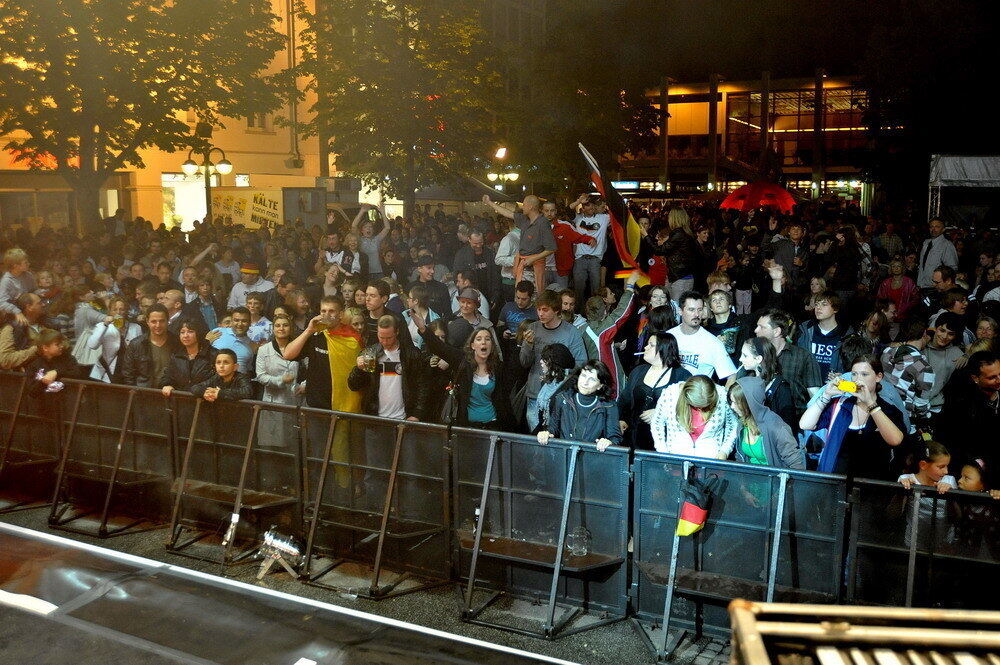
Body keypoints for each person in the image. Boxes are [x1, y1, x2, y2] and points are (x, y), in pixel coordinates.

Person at [800, 354, 906, 480]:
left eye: (864, 374)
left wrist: (871, 404)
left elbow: (896, 440)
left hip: (872, 487)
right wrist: (826, 395)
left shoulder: (888, 410)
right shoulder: (841, 404)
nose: (858, 379)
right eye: (854, 374)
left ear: (878, 377)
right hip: (835, 482)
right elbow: (805, 424)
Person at [414, 311, 511, 429]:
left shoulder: (498, 367)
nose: (484, 342)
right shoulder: (463, 361)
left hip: (492, 424)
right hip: (466, 426)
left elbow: (504, 401)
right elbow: (440, 348)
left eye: (488, 339)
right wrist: (423, 328)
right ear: (472, 345)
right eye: (479, 339)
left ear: (492, 344)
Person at [519, 289, 587, 428]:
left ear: (556, 310)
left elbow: (581, 363)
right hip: (535, 393)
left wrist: (558, 375)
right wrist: (528, 345)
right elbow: (524, 362)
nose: (540, 314)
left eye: (545, 309)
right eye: (538, 309)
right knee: (536, 439)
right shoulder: (533, 328)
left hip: (560, 395)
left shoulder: (571, 332)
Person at [619, 332, 691, 450]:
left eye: (651, 345)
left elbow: (689, 408)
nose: (645, 347)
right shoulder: (638, 371)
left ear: (664, 348)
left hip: (664, 438)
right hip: (634, 436)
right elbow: (624, 399)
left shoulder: (682, 375)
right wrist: (621, 419)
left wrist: (661, 413)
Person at [347, 314, 426, 421]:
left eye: (389, 338)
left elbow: (422, 385)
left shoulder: (411, 354)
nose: (384, 342)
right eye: (381, 337)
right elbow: (354, 386)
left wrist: (417, 413)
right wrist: (358, 369)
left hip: (404, 417)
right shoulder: (370, 353)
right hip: (375, 418)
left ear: (397, 332)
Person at [537, 360, 622, 452]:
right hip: (565, 456)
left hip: (593, 459)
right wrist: (546, 434)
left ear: (600, 386)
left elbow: (615, 438)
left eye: (592, 379)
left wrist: (608, 442)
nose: (585, 382)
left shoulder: (609, 406)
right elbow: (553, 428)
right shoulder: (563, 398)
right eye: (583, 376)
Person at [936, 351, 1000, 470]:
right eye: (992, 377)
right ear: (975, 378)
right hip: (968, 464)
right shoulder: (960, 404)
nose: (999, 380)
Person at [651, 375, 739, 458]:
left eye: (705, 406)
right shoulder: (670, 394)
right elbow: (657, 422)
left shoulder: (722, 395)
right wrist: (662, 451)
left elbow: (733, 426)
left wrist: (724, 451)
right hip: (675, 459)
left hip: (711, 461)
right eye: (696, 406)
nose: (700, 410)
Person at [755, 309, 823, 414]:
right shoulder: (754, 354)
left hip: (794, 421)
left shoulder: (803, 356)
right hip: (762, 418)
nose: (756, 330)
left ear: (776, 331)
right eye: (757, 326)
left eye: (762, 327)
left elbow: (815, 397)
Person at [729, 377, 806, 469]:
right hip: (751, 478)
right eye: (731, 402)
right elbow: (740, 457)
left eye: (736, 403)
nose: (732, 407)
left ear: (749, 402)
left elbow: (796, 465)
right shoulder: (742, 424)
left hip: (773, 480)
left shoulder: (777, 427)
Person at [483, 194, 555, 292]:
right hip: (523, 265)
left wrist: (533, 258)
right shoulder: (524, 219)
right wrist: (489, 203)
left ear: (530, 206)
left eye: (524, 205)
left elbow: (551, 248)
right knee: (521, 297)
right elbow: (507, 213)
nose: (522, 207)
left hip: (534, 267)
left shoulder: (543, 223)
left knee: (532, 297)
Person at [255, 314, 303, 448]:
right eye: (277, 325)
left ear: (291, 328)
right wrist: (281, 380)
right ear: (273, 329)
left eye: (285, 325)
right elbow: (261, 376)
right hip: (272, 402)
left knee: (293, 445)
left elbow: (308, 371)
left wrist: (304, 385)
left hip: (294, 400)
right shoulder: (264, 350)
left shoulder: (299, 347)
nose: (281, 328)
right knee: (272, 445)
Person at [731, 337, 797, 432]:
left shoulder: (781, 388)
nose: (741, 359)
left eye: (745, 356)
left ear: (758, 359)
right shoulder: (746, 379)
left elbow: (787, 424)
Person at [667, 291, 737, 380]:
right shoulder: (669, 336)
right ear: (680, 311)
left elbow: (731, 375)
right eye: (691, 310)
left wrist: (725, 393)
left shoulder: (712, 342)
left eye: (699, 310)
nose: (696, 314)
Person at [880, 320, 937, 426]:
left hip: (881, 410)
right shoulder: (922, 366)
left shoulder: (887, 352)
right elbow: (921, 404)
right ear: (924, 333)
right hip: (904, 418)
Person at [796, 290, 854, 377]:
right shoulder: (805, 330)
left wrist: (843, 376)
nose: (818, 308)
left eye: (824, 304)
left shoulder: (846, 335)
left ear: (835, 309)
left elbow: (852, 368)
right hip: (806, 386)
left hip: (833, 387)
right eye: (816, 304)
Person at [85, 297, 142, 383]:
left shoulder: (136, 327)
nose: (118, 312)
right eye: (114, 310)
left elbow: (140, 351)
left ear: (126, 311)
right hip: (107, 372)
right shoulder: (103, 326)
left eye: (121, 309)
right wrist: (105, 325)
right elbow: (92, 345)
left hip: (128, 372)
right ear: (110, 311)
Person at [121, 305, 180, 387]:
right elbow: (128, 373)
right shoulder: (136, 344)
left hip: (171, 393)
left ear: (168, 320)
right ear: (147, 321)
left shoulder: (178, 342)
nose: (158, 325)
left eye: (162, 321)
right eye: (154, 321)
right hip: (144, 393)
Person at [545, 200, 595, 289]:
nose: (549, 213)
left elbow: (578, 237)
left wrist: (590, 239)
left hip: (561, 270)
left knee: (562, 298)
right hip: (541, 269)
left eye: (552, 210)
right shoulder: (536, 227)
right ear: (542, 211)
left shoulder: (565, 226)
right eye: (546, 211)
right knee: (542, 299)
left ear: (556, 211)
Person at [570, 194, 610, 303]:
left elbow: (617, 213)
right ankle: (579, 313)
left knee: (596, 289)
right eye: (587, 206)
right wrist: (579, 200)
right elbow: (569, 209)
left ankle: (595, 312)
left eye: (592, 205)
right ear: (582, 208)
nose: (590, 208)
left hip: (595, 259)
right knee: (578, 289)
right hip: (580, 258)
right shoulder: (578, 218)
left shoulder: (604, 218)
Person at [158, 318, 215, 395]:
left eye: (190, 332)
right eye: (182, 332)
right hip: (182, 401)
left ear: (198, 333)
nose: (185, 336)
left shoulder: (212, 354)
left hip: (205, 401)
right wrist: (167, 385)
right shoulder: (176, 355)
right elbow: (167, 376)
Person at [653, 208, 698, 303]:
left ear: (674, 218)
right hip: (679, 277)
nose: (668, 219)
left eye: (669, 216)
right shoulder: (686, 233)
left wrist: (645, 236)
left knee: (677, 309)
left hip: (680, 278)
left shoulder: (679, 234)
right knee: (672, 305)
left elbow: (659, 250)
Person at [924, 312, 965, 414]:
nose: (944, 336)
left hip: (937, 407)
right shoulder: (921, 346)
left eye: (951, 334)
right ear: (936, 328)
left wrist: (967, 357)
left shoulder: (957, 354)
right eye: (942, 330)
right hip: (911, 403)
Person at [25, 328, 85, 397]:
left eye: (61, 343)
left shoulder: (69, 359)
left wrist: (57, 372)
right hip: (42, 404)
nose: (61, 346)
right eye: (57, 344)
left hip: (65, 402)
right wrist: (42, 381)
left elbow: (77, 374)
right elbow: (31, 392)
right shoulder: (34, 364)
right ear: (45, 348)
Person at [0, 293, 46, 370]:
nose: (44, 305)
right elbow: (5, 360)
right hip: (25, 376)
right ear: (29, 307)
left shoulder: (48, 325)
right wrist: (37, 349)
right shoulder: (12, 328)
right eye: (39, 303)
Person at [190, 349, 254, 402]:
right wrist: (204, 392)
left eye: (226, 362)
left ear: (235, 367)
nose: (221, 366)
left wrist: (220, 393)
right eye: (218, 362)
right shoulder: (216, 377)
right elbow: (195, 387)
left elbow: (247, 391)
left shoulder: (241, 377)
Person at [207, 307, 255, 377]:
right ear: (231, 321)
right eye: (236, 320)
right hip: (213, 380)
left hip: (238, 384)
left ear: (250, 323)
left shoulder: (252, 345)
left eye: (244, 321)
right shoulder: (217, 332)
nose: (240, 324)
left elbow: (249, 370)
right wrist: (206, 341)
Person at [917, 219, 958, 290]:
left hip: (936, 287)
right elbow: (922, 266)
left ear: (943, 229)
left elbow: (952, 268)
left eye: (937, 226)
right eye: (931, 226)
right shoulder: (926, 243)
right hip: (922, 285)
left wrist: (942, 285)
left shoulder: (947, 245)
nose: (933, 229)